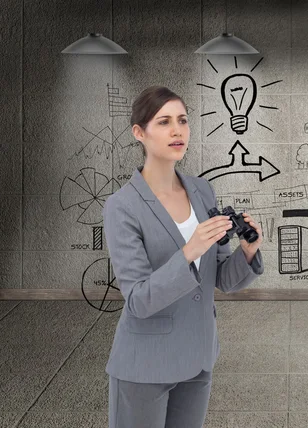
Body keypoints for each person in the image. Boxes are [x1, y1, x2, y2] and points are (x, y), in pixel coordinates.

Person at [102, 86, 264, 428]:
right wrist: (189, 250)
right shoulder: (122, 207)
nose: (177, 130)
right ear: (139, 133)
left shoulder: (202, 190)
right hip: (144, 365)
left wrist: (247, 253)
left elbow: (220, 278)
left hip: (198, 357)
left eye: (183, 120)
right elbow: (138, 301)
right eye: (164, 122)